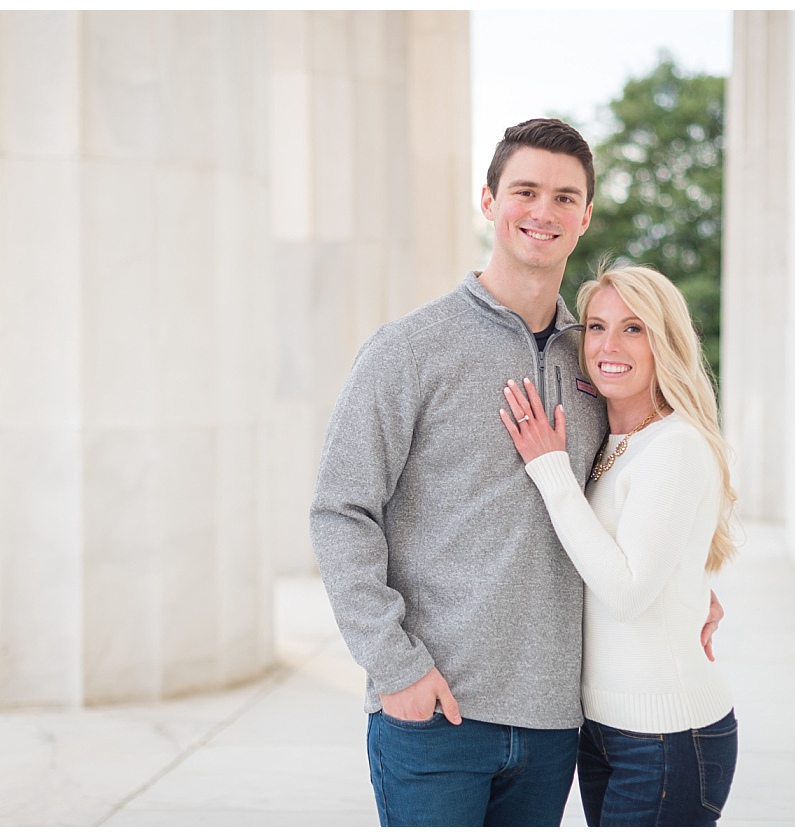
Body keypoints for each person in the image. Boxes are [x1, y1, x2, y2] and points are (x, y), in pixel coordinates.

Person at [309, 118, 721, 827]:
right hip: (435, 711)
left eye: (565, 197)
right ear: (489, 201)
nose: (543, 211)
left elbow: (640, 487)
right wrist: (396, 665)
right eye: (525, 191)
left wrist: (687, 586)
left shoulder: (594, 358)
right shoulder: (409, 349)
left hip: (554, 724)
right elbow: (341, 511)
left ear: (585, 216)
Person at [499, 264, 739, 827]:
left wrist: (551, 471)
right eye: (597, 327)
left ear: (666, 342)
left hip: (667, 733)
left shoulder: (674, 445)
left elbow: (629, 593)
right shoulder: (617, 444)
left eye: (634, 329)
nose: (609, 346)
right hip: (607, 730)